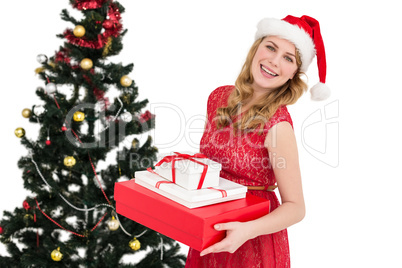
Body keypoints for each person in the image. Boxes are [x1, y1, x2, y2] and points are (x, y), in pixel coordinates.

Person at [185, 15, 330, 267]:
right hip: (210, 226)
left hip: (252, 239)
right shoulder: (218, 98)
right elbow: (214, 160)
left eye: (288, 58)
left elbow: (296, 207)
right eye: (271, 47)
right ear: (256, 48)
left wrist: (247, 231)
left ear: (294, 73)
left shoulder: (278, 124)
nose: (274, 61)